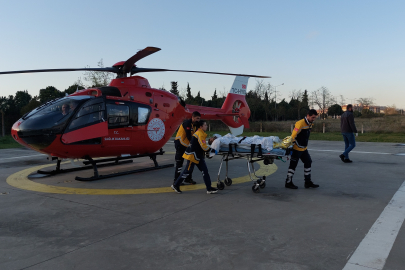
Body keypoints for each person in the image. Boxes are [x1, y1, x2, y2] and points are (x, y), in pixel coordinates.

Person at [171, 120, 218, 194]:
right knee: (187, 171)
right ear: (201, 127)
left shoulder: (201, 133)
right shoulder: (199, 133)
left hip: (198, 156)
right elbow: (203, 147)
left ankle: (209, 188)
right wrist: (212, 150)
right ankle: (176, 185)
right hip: (193, 156)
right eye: (205, 125)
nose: (206, 126)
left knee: (205, 171)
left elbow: (202, 146)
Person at [285, 109, 320, 189]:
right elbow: (293, 135)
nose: (313, 119)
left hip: (304, 149)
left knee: (308, 162)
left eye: (314, 118)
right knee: (293, 165)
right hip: (296, 148)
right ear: (308, 116)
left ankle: (307, 182)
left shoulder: (309, 123)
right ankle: (288, 182)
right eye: (312, 117)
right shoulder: (300, 124)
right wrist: (290, 146)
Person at [173, 111, 201, 185]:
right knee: (179, 163)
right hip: (180, 144)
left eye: (199, 118)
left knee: (191, 162)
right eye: (197, 118)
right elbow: (189, 136)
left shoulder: (196, 125)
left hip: (187, 145)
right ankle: (176, 180)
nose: (198, 120)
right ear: (193, 117)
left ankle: (188, 178)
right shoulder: (187, 123)